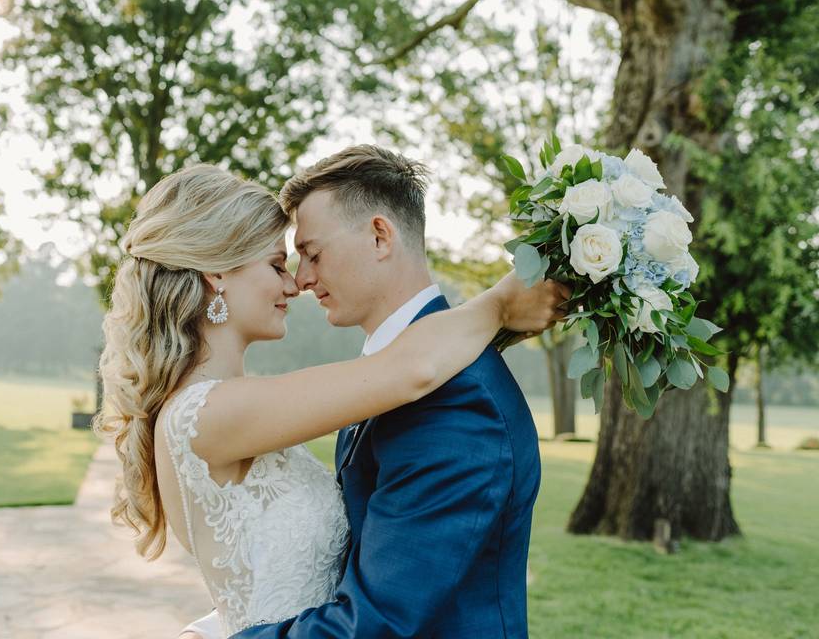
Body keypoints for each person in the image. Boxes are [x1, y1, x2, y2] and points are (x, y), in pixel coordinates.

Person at [95, 156, 568, 639]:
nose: (295, 282)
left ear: (381, 236)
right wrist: (498, 303)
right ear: (216, 274)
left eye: (308, 256)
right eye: (279, 263)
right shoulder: (209, 412)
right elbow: (411, 369)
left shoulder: (458, 405)